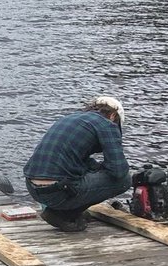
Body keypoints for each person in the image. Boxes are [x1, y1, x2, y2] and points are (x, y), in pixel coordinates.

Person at [24, 96, 131, 231]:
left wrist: (98, 167)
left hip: (33, 188)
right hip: (58, 192)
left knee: (86, 172)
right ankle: (62, 214)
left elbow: (79, 161)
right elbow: (118, 171)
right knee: (125, 180)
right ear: (113, 115)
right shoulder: (107, 124)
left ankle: (67, 210)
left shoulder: (72, 119)